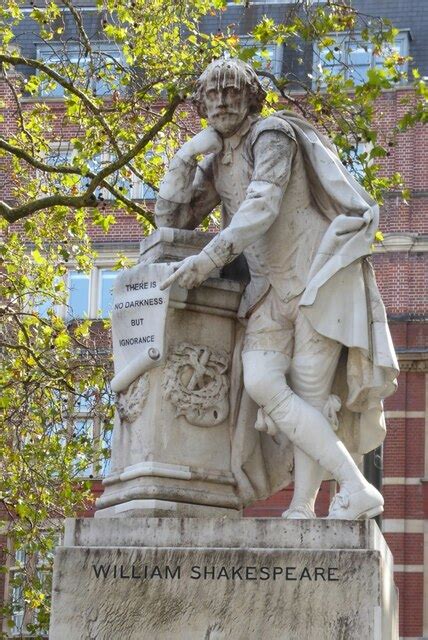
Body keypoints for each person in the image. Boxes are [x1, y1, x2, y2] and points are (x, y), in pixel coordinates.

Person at [155, 58, 398, 519]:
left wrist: (208, 259)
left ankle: (303, 510)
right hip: (267, 291)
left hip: (315, 280)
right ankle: (353, 484)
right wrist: (184, 157)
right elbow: (172, 220)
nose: (223, 101)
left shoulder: (272, 135)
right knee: (263, 381)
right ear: (202, 103)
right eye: (212, 94)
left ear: (250, 98)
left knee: (308, 397)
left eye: (232, 91)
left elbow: (262, 205)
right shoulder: (216, 159)